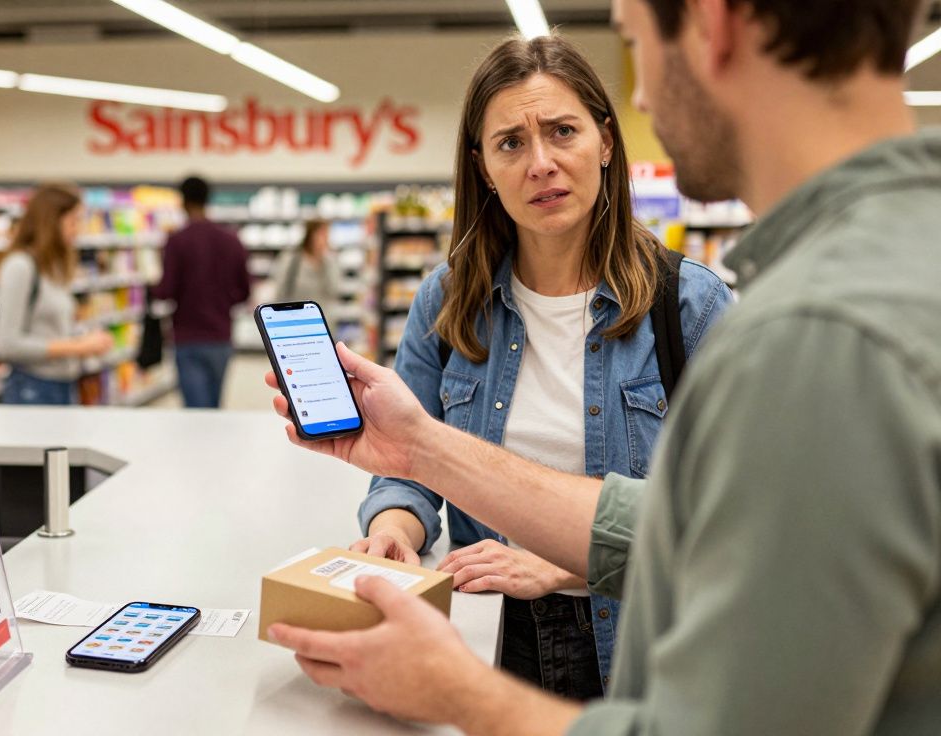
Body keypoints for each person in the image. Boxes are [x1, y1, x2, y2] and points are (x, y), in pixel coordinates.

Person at [265, 0, 941, 733]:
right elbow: (701, 527)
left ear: (710, 24)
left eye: (634, 41)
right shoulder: (873, 281)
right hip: (498, 618)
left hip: (615, 638)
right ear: (482, 168)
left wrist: (460, 692)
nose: (643, 94)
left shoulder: (809, 332)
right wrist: (417, 459)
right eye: (511, 144)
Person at [353, 35, 731, 699]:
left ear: (606, 143)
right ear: (483, 169)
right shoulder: (447, 302)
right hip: (486, 628)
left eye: (563, 131)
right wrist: (392, 530)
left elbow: (733, 513)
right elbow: (407, 462)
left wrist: (564, 564)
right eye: (510, 143)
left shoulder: (689, 305)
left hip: (643, 640)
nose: (542, 164)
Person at [0, 183, 114, 405]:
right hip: (32, 389)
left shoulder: (53, 267)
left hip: (63, 385)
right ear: (51, 221)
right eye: (73, 221)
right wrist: (78, 347)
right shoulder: (20, 266)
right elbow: (7, 344)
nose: (79, 229)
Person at [150, 176, 250, 409]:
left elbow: (165, 291)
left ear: (183, 202)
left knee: (195, 409)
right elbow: (244, 291)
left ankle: (197, 446)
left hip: (188, 336)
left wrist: (152, 285)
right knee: (214, 406)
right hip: (220, 335)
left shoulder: (176, 241)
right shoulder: (231, 240)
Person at [272, 219, 342, 314]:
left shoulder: (329, 261)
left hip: (322, 318)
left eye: (327, 235)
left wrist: (329, 260)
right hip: (295, 316)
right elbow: (280, 290)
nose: (325, 239)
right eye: (321, 234)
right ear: (310, 235)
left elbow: (334, 290)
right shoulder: (292, 259)